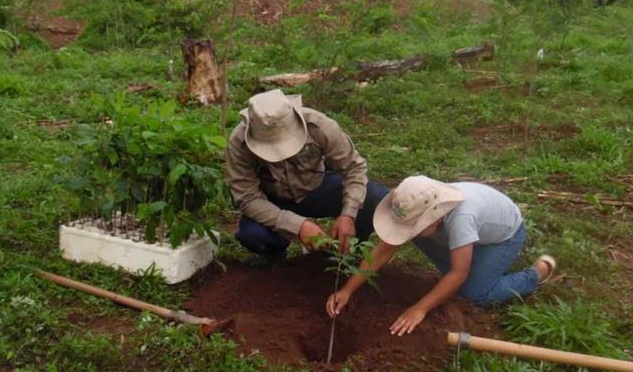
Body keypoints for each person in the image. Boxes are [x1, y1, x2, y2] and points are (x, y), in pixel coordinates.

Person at [325, 175, 556, 336]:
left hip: (503, 237)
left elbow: (458, 274)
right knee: (413, 237)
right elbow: (384, 249)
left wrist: (420, 309)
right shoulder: (419, 202)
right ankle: (481, 267)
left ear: (434, 217)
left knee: (475, 293)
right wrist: (347, 289)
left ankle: (536, 274)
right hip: (461, 235)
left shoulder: (462, 219)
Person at [225, 89, 388, 263]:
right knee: (252, 234)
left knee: (375, 197)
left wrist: (348, 214)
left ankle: (350, 247)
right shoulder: (239, 143)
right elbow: (248, 198)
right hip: (274, 200)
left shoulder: (319, 126)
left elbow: (354, 167)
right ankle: (276, 254)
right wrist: (298, 226)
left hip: (318, 188)